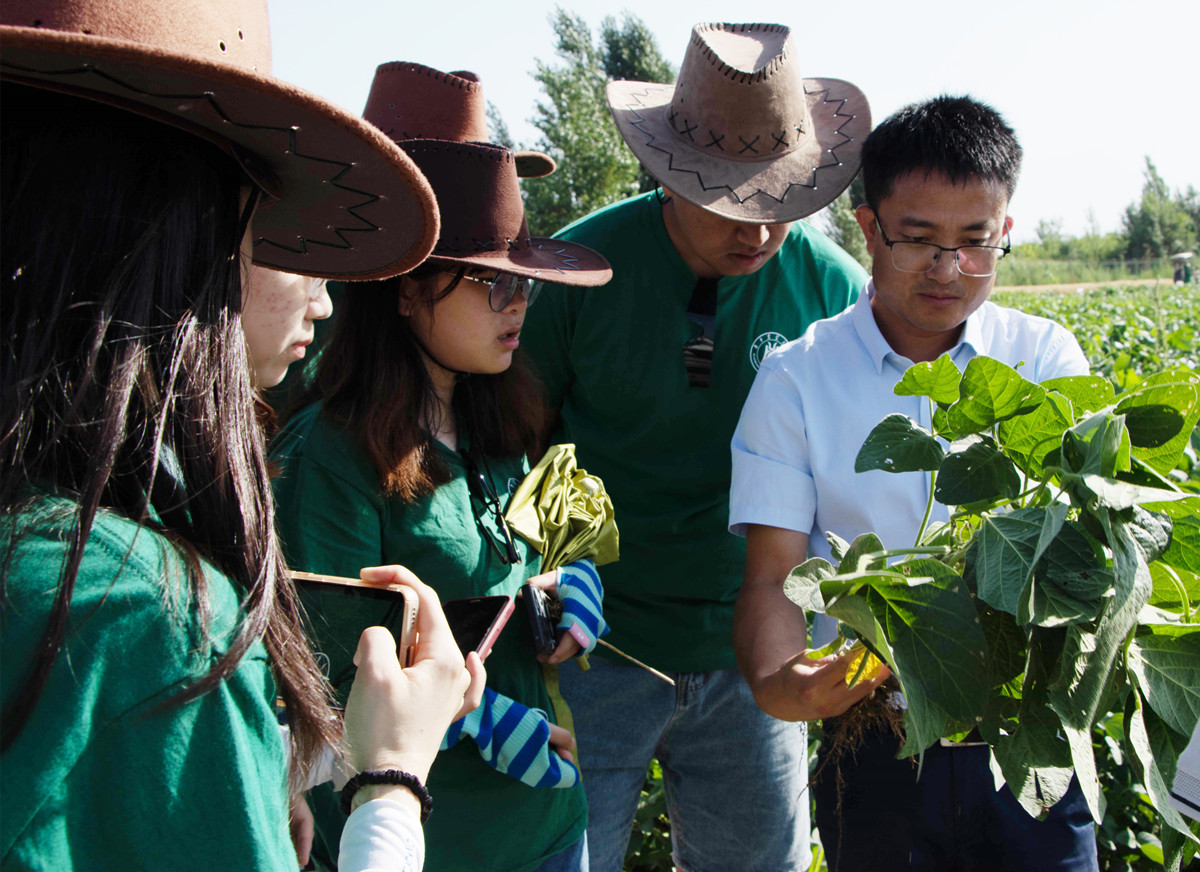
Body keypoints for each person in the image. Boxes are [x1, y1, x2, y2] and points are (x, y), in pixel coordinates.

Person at [0, 2, 479, 869]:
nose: (325, 297)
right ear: (177, 245)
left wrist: (258, 771)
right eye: (266, 234)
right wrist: (391, 783)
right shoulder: (143, 619)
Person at [520, 21, 871, 872]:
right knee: (564, 858)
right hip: (591, 644)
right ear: (668, 177)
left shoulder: (830, 289)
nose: (755, 230)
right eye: (726, 199)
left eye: (777, 200)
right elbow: (518, 442)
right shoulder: (583, 270)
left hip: (757, 653)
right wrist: (553, 573)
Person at [729, 95, 1098, 871]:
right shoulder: (798, 378)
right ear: (868, 230)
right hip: (876, 740)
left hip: (1029, 740)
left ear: (1006, 232)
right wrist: (780, 679)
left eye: (975, 242)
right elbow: (771, 575)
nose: (948, 270)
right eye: (919, 241)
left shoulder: (1047, 359)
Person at [270, 63, 613, 872]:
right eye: (491, 284)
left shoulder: (499, 418)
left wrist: (566, 587)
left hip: (550, 829)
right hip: (425, 839)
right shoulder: (331, 454)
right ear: (404, 292)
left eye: (522, 282)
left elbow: (513, 562)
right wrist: (475, 717)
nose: (520, 304)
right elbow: (326, 660)